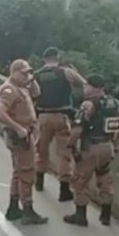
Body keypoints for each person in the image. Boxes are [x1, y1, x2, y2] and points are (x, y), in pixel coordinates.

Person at [0, 59, 48, 225]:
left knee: (18, 172)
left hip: (25, 134)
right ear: (14, 72)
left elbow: (37, 93)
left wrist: (31, 79)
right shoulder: (9, 90)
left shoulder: (22, 87)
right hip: (20, 137)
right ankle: (28, 210)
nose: (27, 76)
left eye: (28, 72)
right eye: (24, 73)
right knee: (26, 172)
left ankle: (14, 207)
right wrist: (17, 128)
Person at [64, 74, 119, 227]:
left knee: (80, 181)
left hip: (91, 147)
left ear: (93, 88)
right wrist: (115, 143)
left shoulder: (88, 105)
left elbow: (78, 129)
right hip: (107, 146)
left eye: (86, 86)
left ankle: (80, 216)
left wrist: (70, 145)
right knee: (104, 178)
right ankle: (105, 215)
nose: (84, 88)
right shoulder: (114, 103)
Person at [34, 47, 87, 201]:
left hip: (43, 116)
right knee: (64, 154)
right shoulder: (66, 72)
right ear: (58, 58)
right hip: (62, 117)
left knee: (41, 150)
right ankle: (64, 190)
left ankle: (39, 181)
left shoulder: (36, 75)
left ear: (44, 59)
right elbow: (85, 86)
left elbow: (30, 94)